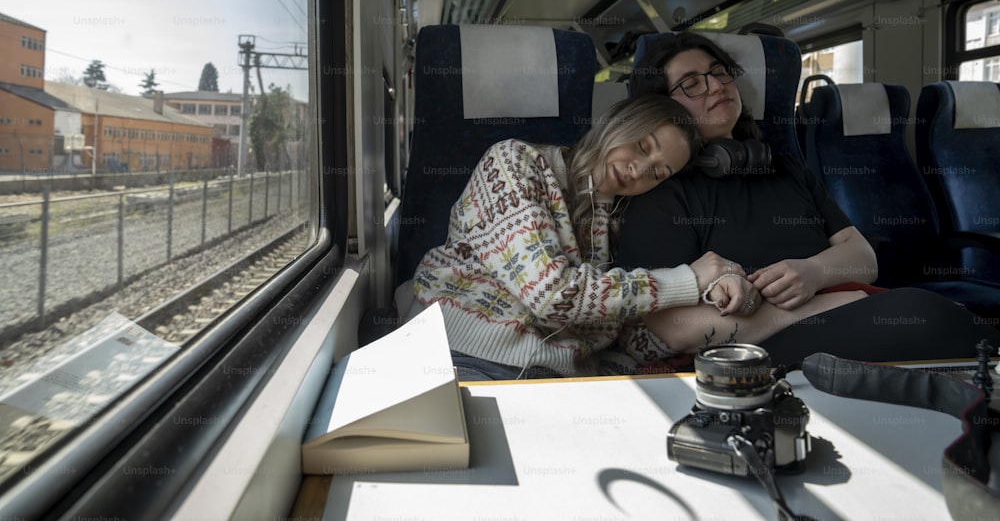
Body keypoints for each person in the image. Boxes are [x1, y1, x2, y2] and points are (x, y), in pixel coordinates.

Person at [618, 31, 1000, 364]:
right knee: (924, 316)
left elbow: (863, 258)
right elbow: (670, 328)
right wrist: (818, 309)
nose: (716, 86)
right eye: (692, 84)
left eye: (719, 73)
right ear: (664, 109)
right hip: (753, 345)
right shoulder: (661, 192)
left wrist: (815, 272)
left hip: (836, 312)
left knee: (941, 320)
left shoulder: (785, 168)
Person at [410, 94, 753, 381]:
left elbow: (633, 340)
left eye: (658, 173)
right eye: (641, 145)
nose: (639, 170)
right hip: (465, 356)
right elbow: (550, 293)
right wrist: (689, 279)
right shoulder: (512, 162)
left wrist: (717, 294)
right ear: (616, 123)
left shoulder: (618, 222)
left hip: (558, 378)